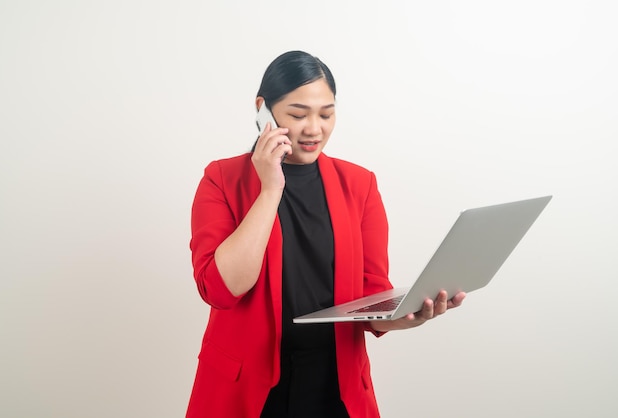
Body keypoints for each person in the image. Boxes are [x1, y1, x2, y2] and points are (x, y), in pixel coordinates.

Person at [186, 50, 465, 418]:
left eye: (327, 114)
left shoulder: (360, 185)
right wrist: (270, 189)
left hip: (335, 389)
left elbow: (369, 300)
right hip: (246, 392)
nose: (314, 128)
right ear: (262, 110)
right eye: (298, 114)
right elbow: (222, 289)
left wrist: (410, 314)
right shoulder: (221, 179)